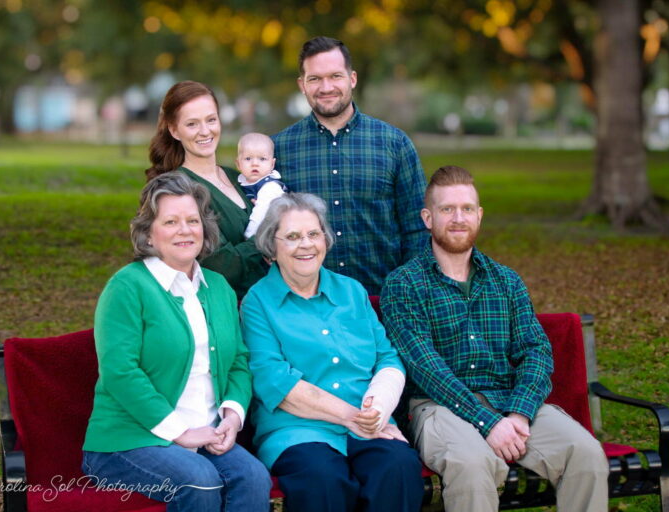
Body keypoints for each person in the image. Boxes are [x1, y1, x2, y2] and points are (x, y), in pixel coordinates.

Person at [380, 165, 609, 512]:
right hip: (438, 406)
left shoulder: (506, 280)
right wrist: (489, 423)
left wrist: (519, 414)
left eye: (467, 209)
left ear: (479, 215)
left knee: (587, 455)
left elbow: (535, 350)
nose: (459, 218)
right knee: (471, 466)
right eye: (447, 209)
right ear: (428, 218)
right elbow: (426, 368)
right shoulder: (404, 284)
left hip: (508, 400)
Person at [82, 172, 271, 511]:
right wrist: (181, 433)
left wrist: (232, 417)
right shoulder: (127, 287)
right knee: (200, 479)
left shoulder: (219, 288)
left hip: (207, 434)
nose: (185, 230)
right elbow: (120, 371)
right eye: (171, 222)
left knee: (254, 477)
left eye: (192, 221)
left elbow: (238, 362)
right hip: (128, 440)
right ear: (148, 234)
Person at [240, 193, 425, 512]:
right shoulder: (257, 302)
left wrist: (377, 410)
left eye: (314, 234)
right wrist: (352, 418)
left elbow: (387, 357)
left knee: (398, 466)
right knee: (323, 479)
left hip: (368, 424)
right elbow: (273, 381)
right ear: (272, 246)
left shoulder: (351, 291)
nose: (306, 245)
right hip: (297, 430)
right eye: (293, 237)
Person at [273, 36, 427, 295]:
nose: (326, 87)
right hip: (306, 303)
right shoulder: (278, 150)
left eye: (335, 76)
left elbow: (418, 228)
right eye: (315, 79)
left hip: (382, 299)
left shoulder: (395, 144)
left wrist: (406, 295)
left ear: (352, 79)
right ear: (302, 84)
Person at [146, 81, 268, 297]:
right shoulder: (177, 189)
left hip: (269, 304)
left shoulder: (240, 177)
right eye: (192, 124)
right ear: (174, 130)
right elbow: (221, 266)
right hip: (225, 307)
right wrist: (270, 234)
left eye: (211, 120)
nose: (205, 131)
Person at [235, 132, 289, 238]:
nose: (255, 163)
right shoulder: (239, 183)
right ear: (238, 164)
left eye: (262, 159)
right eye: (248, 158)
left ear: (272, 164)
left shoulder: (270, 187)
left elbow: (259, 216)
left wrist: (248, 237)